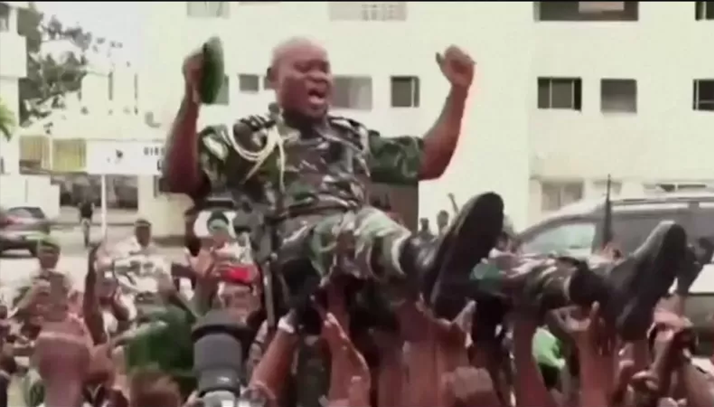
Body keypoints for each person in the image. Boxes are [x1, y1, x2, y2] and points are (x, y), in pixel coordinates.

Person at [162, 37, 505, 318]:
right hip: (296, 272)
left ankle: (514, 281)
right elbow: (180, 178)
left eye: (324, 69)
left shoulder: (352, 136)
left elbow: (428, 161)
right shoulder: (251, 138)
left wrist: (459, 93)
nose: (318, 76)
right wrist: (192, 101)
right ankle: (419, 257)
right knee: (363, 226)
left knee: (451, 286)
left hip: (358, 270)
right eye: (304, 68)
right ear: (273, 79)